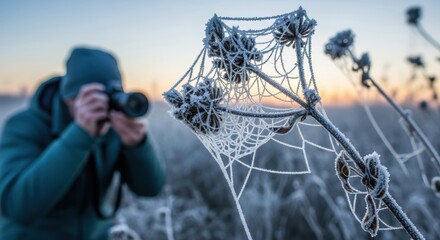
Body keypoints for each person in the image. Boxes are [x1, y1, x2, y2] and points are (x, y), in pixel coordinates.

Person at [0, 47, 165, 239]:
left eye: (111, 95)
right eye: (92, 97)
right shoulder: (24, 125)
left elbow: (151, 189)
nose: (102, 105)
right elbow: (18, 207)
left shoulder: (112, 125)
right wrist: (80, 135)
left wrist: (137, 145)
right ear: (69, 99)